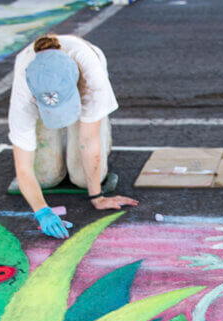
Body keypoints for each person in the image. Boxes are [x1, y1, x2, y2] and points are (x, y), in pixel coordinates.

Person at [8, 34, 138, 238]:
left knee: (83, 178)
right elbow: (23, 167)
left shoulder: (92, 77)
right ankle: (55, 136)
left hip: (85, 83)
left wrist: (97, 196)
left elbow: (88, 141)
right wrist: (41, 211)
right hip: (43, 94)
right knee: (46, 178)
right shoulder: (24, 93)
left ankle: (103, 135)